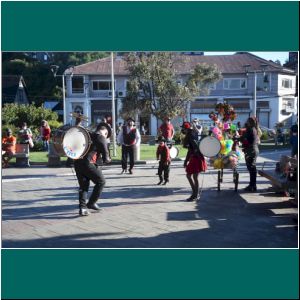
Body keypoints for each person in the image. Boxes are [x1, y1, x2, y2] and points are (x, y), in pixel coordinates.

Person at [74, 122, 111, 216]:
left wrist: (77, 122)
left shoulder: (88, 134)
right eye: (106, 135)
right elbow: (106, 157)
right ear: (105, 132)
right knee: (101, 181)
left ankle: (82, 208)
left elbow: (76, 132)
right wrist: (107, 159)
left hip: (77, 162)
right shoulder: (101, 137)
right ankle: (91, 203)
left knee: (83, 186)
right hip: (88, 163)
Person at [181, 122, 207, 201]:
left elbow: (194, 147)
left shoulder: (190, 135)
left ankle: (195, 194)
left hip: (196, 157)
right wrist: (186, 160)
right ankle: (195, 193)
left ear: (186, 129)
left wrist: (186, 161)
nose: (182, 130)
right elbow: (191, 149)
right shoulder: (192, 133)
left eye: (183, 128)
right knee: (193, 176)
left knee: (192, 176)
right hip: (196, 157)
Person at [241, 116, 260, 192]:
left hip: (251, 151)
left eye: (248, 121)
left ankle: (253, 186)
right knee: (251, 169)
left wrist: (242, 140)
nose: (247, 122)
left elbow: (250, 141)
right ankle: (252, 185)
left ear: (251, 122)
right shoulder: (252, 129)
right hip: (251, 150)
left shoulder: (252, 130)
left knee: (252, 169)